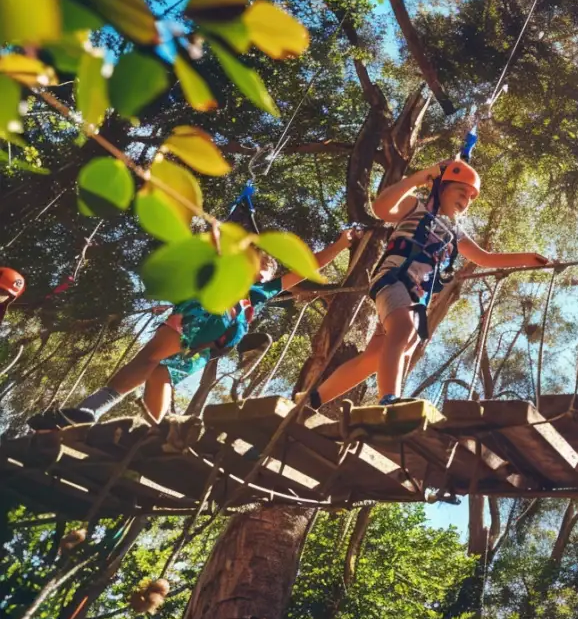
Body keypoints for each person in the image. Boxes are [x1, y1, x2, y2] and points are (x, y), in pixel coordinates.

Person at [27, 229, 361, 429]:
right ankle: (155, 428)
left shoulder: (255, 286)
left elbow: (308, 266)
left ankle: (92, 410)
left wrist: (341, 244)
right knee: (159, 373)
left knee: (148, 363)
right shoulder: (243, 280)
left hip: (206, 323)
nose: (262, 271)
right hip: (208, 331)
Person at [301, 157, 550, 409]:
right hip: (394, 278)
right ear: (441, 187)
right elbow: (382, 208)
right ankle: (389, 401)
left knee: (377, 355)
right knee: (404, 331)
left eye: (470, 198)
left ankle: (313, 399)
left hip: (416, 295)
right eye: (460, 190)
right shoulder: (416, 207)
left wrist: (530, 259)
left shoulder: (456, 233)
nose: (465, 200)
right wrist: (422, 176)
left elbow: (485, 259)